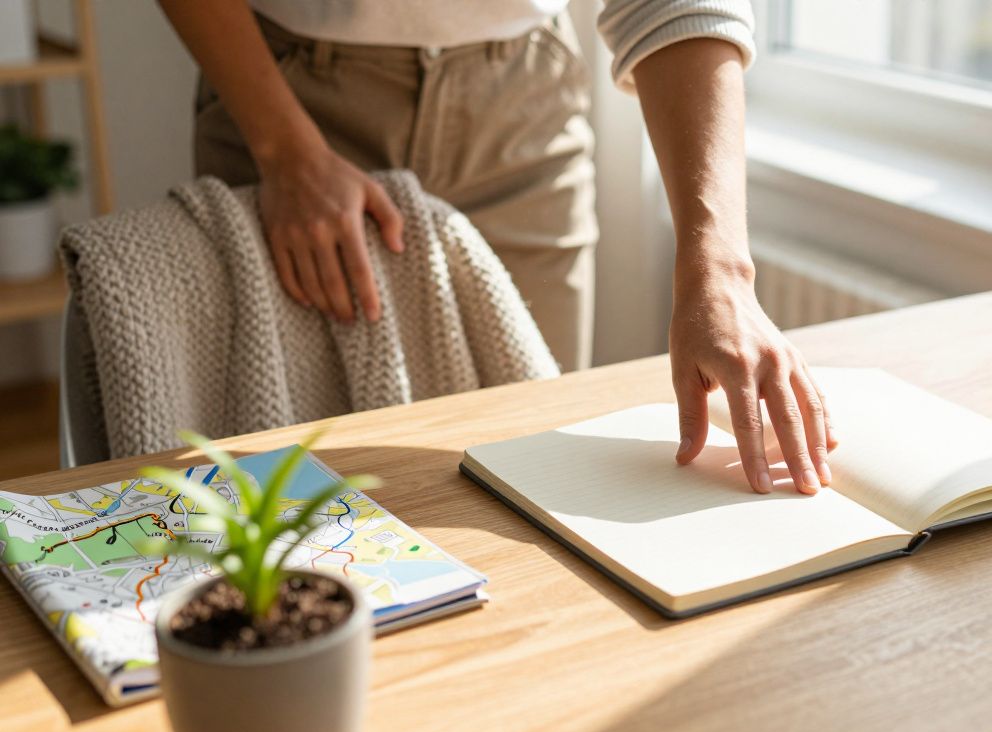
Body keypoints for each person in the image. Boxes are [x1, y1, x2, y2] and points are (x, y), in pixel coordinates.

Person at [159, 0, 836, 495]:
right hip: (291, 96)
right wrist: (285, 150)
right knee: (290, 489)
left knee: (531, 471)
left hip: (523, 109)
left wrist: (720, 267)